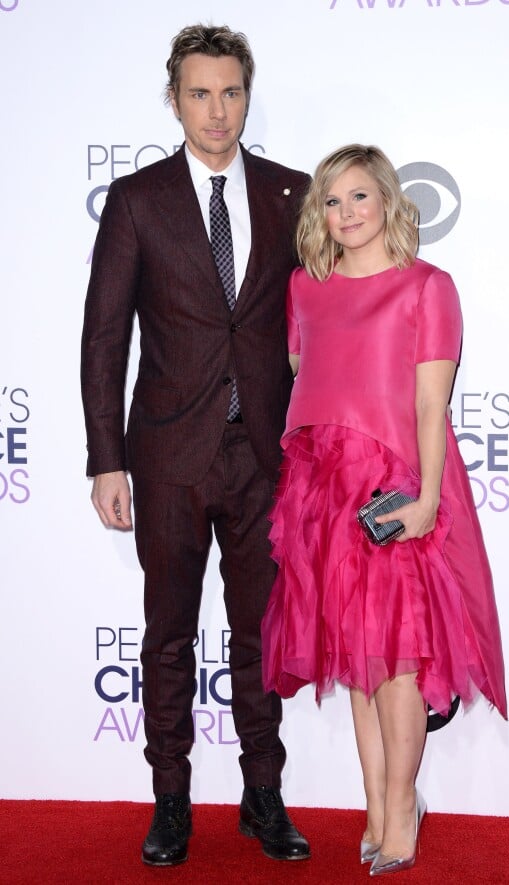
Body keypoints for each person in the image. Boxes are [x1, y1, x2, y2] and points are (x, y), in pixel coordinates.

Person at [81, 24, 311, 867]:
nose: (218, 112)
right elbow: (105, 337)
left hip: (264, 461)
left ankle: (263, 794)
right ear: (174, 98)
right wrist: (107, 458)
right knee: (168, 634)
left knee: (260, 637)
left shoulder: (292, 196)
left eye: (232, 92)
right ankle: (170, 799)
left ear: (249, 95)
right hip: (168, 457)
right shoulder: (138, 201)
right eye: (200, 93)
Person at [261, 144, 507, 876]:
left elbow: (433, 402)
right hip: (321, 488)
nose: (346, 213)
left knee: (397, 660)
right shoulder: (306, 287)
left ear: (389, 201)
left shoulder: (428, 287)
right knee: (358, 661)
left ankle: (402, 805)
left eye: (360, 197)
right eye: (332, 201)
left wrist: (428, 497)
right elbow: (307, 375)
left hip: (392, 486)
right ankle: (376, 803)